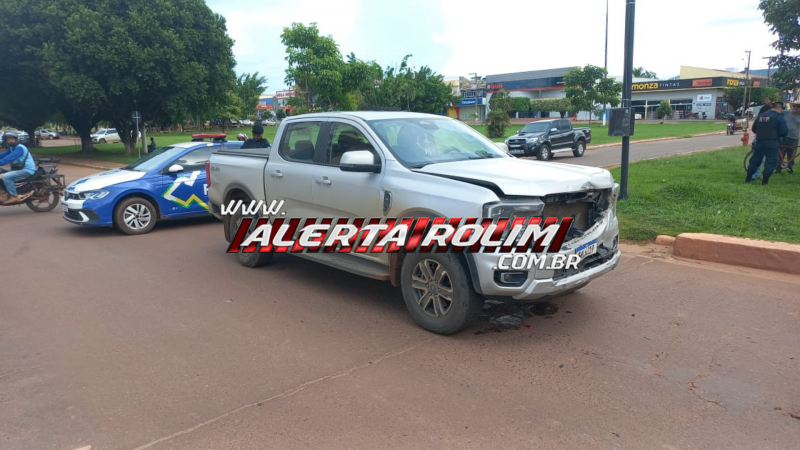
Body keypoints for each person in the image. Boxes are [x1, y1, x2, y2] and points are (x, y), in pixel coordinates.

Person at [746, 101, 788, 185]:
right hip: (773, 142)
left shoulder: (761, 116)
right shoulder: (778, 117)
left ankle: (748, 179)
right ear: (779, 108)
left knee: (755, 160)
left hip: (760, 141)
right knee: (770, 161)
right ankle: (764, 182)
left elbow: (754, 129)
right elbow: (784, 131)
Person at [0, 131, 36, 203]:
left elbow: (8, 159)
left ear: (16, 139)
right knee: (1, 171)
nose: (10, 141)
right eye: (8, 139)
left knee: (5, 177)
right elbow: (2, 155)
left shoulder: (19, 148)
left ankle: (14, 196)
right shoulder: (12, 148)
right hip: (19, 169)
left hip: (26, 170)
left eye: (12, 139)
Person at [778, 102, 799, 174]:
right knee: (781, 153)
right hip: (784, 136)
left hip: (794, 137)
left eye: (798, 107)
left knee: (792, 154)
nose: (795, 107)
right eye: (794, 106)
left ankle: (790, 168)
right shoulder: (786, 113)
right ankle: (778, 168)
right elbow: (776, 111)